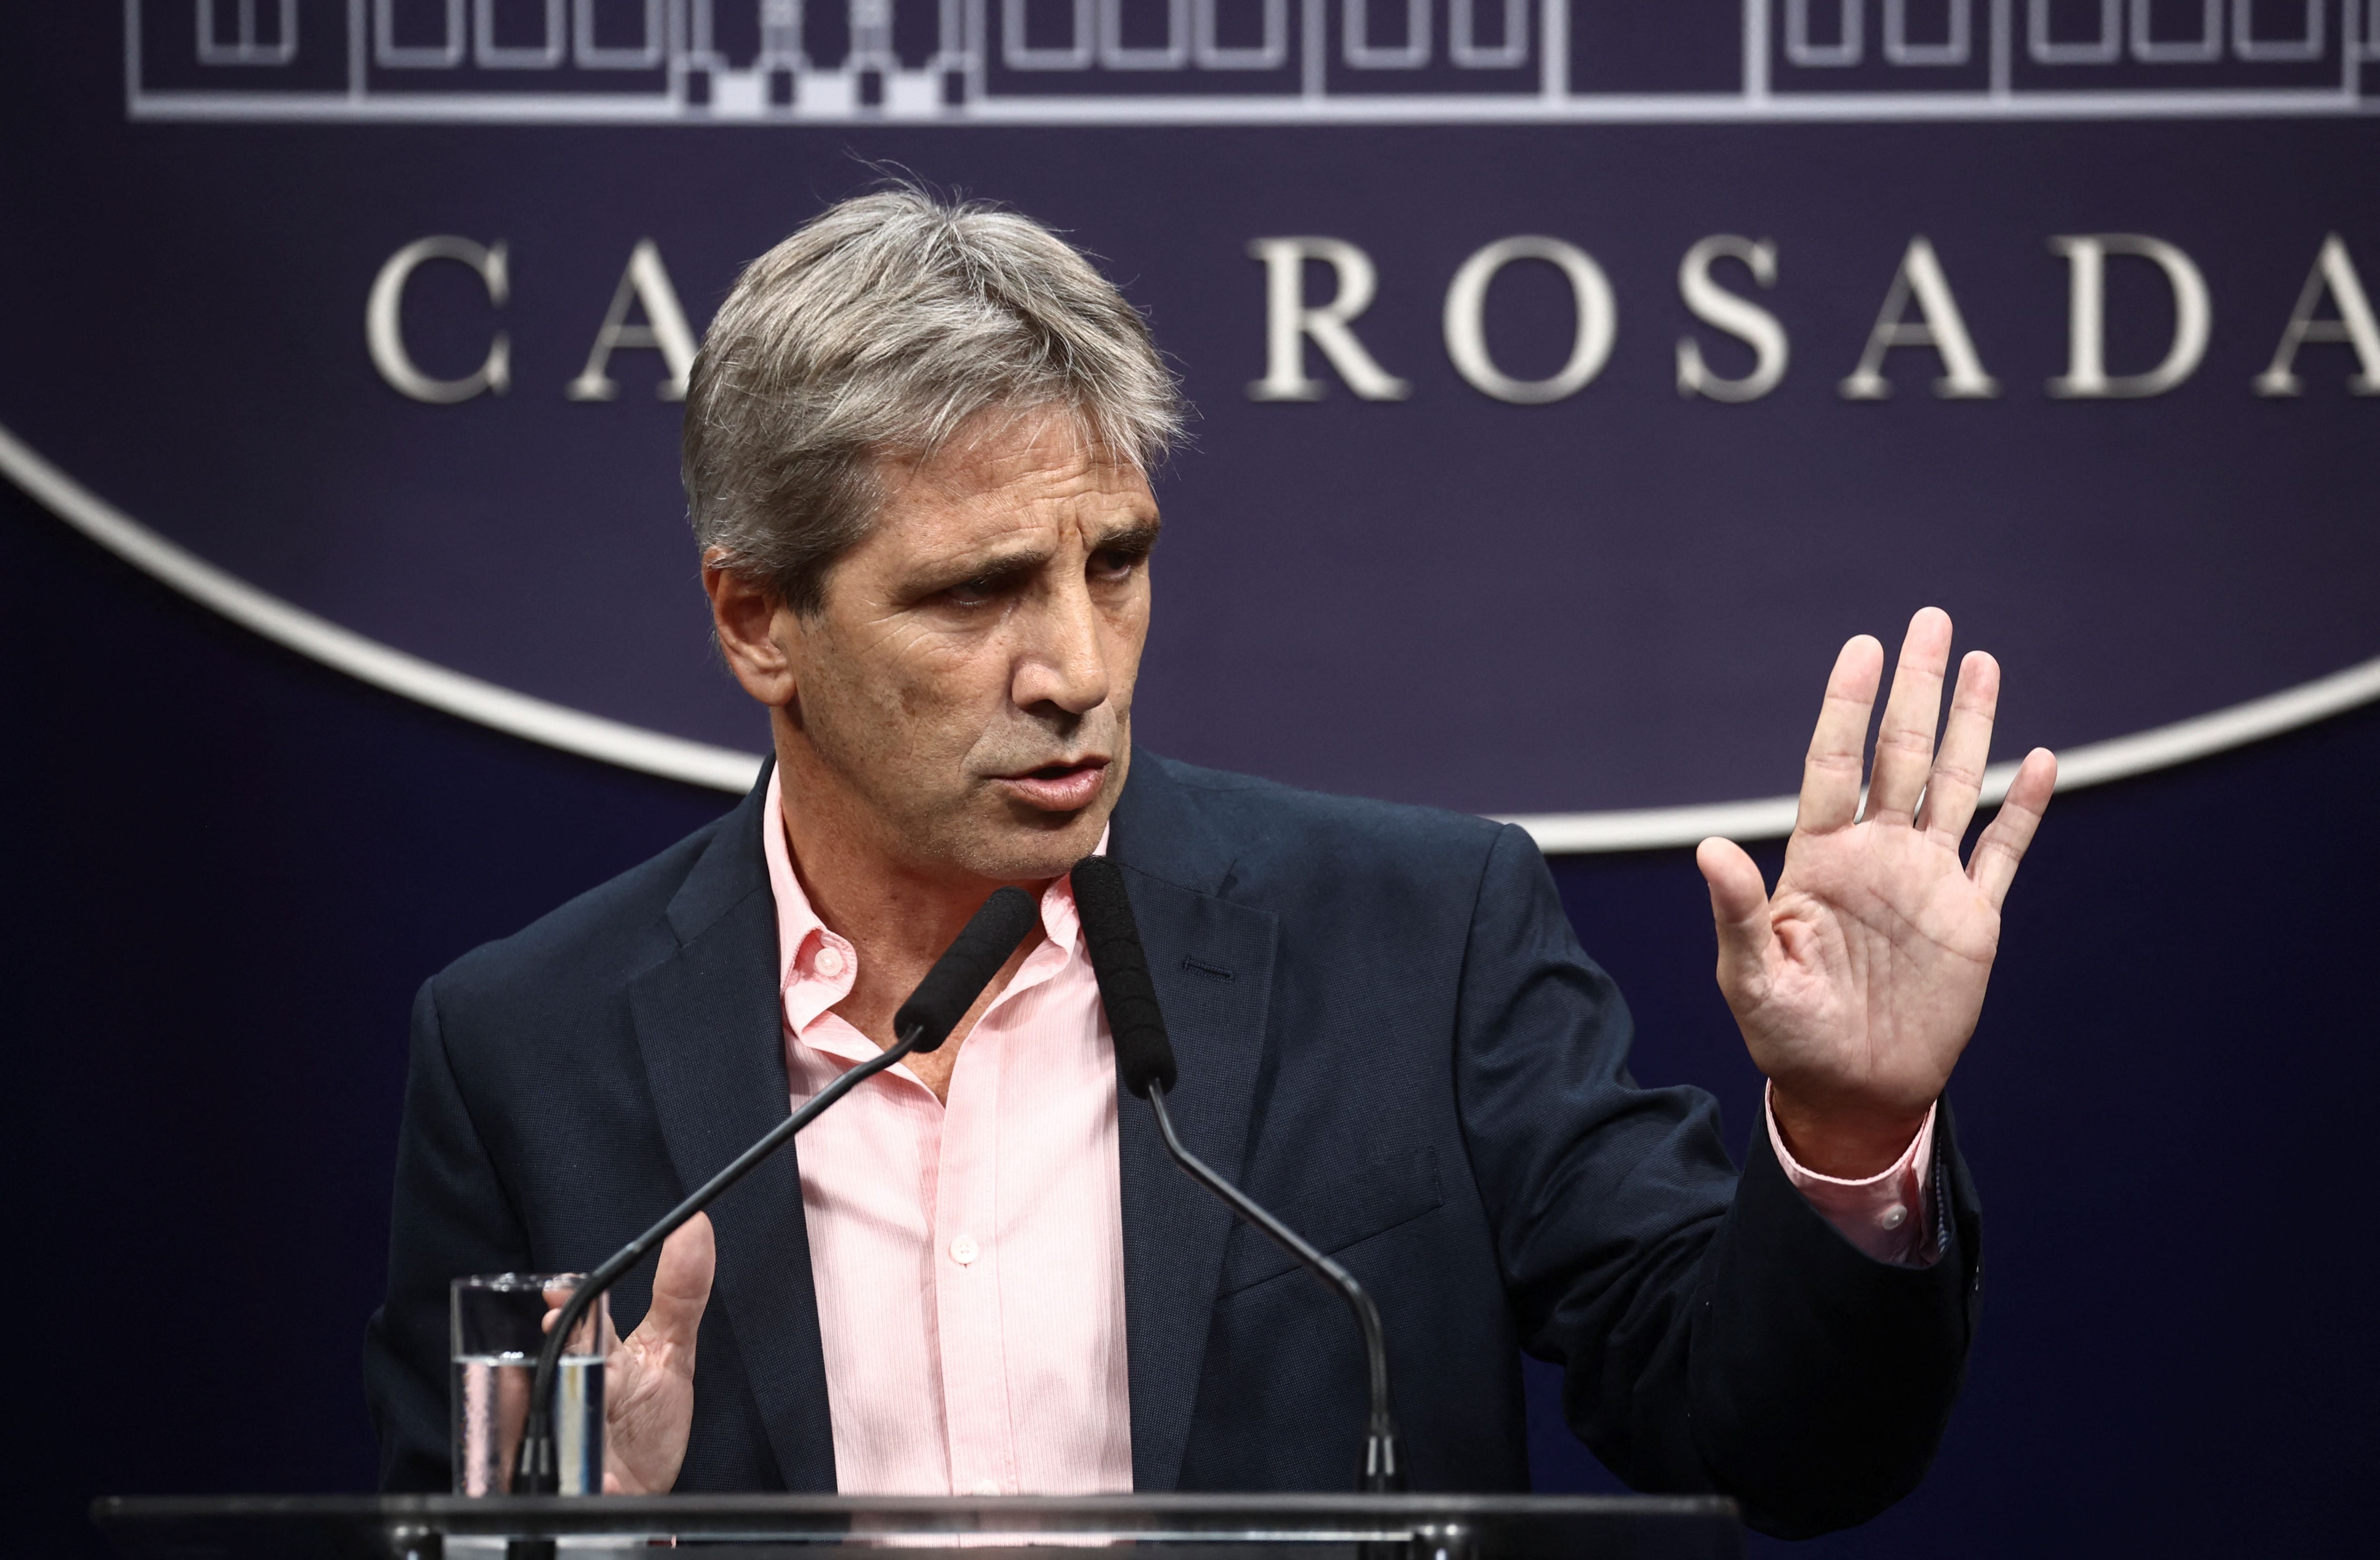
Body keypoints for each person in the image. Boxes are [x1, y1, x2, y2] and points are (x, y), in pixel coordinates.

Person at [362, 190, 2056, 1537]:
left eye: (1115, 562)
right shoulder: (530, 1048)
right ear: (758, 622)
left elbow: (1773, 1451)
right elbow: (445, 1532)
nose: (1076, 668)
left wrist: (1849, 1137)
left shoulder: (1414, 940)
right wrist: (565, 1537)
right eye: (975, 593)